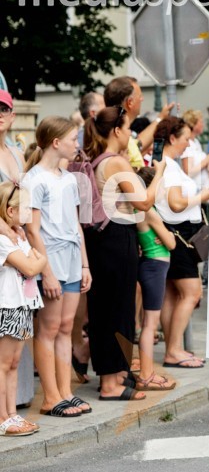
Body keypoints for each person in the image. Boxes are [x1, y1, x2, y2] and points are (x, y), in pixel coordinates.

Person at [83, 106, 165, 401]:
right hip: (116, 238)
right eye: (128, 127)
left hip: (105, 240)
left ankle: (115, 374)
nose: (131, 134)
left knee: (111, 308)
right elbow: (143, 202)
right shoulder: (116, 161)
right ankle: (110, 383)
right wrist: (159, 174)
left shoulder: (98, 158)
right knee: (115, 310)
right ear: (116, 130)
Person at [23, 117, 93, 416]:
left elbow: (75, 223)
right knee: (49, 330)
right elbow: (32, 230)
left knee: (66, 327)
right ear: (55, 142)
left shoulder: (68, 178)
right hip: (50, 260)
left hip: (72, 260)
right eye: (72, 138)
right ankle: (50, 397)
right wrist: (46, 272)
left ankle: (66, 392)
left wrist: (85, 265)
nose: (76, 143)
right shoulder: (34, 180)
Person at [153, 118, 209, 369]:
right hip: (179, 234)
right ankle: (175, 350)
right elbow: (177, 203)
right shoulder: (169, 167)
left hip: (173, 231)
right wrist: (203, 196)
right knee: (192, 292)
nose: (189, 144)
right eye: (186, 138)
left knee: (171, 294)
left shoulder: (165, 164)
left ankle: (173, 348)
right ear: (172, 138)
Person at [0, 181, 47, 436]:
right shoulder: (4, 240)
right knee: (3, 363)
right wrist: (34, 261)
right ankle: (2, 418)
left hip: (22, 304)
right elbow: (32, 266)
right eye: (24, 208)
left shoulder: (18, 236)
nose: (29, 212)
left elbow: (40, 258)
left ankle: (11, 414)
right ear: (9, 211)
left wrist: (35, 260)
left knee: (15, 362)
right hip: (7, 306)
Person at [0, 90, 35, 408]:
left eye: (3, 109)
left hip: (17, 241)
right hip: (4, 246)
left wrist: (22, 236)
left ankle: (16, 403)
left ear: (12, 115)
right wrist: (9, 235)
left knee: (18, 326)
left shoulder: (16, 152)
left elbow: (22, 203)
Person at [133, 168, 177, 391]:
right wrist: (167, 236)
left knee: (148, 323)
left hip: (151, 265)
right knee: (150, 324)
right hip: (155, 265)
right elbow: (171, 243)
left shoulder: (138, 209)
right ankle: (146, 374)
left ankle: (146, 370)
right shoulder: (150, 211)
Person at [103, 76, 173, 168]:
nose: (142, 99)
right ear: (130, 102)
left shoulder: (111, 132)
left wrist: (161, 118)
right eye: (140, 96)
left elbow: (139, 144)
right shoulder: (119, 139)